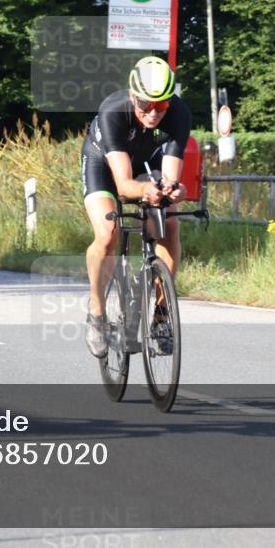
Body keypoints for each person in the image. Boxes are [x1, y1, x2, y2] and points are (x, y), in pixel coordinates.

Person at [79, 56, 195, 358]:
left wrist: (173, 189)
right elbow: (123, 184)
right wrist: (144, 190)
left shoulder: (179, 114)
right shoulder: (113, 111)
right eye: (146, 104)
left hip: (148, 163)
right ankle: (97, 313)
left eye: (162, 105)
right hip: (103, 165)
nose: (153, 113)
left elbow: (170, 175)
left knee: (169, 222)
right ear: (133, 96)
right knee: (108, 233)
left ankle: (159, 313)